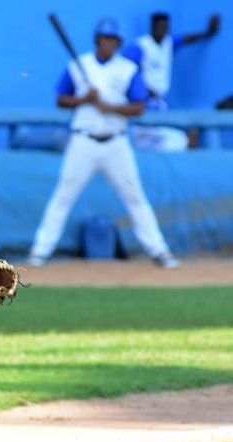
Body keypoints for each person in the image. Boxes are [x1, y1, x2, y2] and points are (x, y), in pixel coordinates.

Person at [27, 18, 180, 269]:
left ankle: (159, 251)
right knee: (62, 197)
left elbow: (138, 107)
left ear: (119, 43)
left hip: (116, 143)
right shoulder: (79, 65)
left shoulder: (128, 68)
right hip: (83, 140)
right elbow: (61, 100)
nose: (109, 43)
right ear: (98, 40)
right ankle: (40, 251)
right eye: (105, 39)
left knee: (135, 197)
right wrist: (84, 99)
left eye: (114, 40)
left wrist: (108, 106)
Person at [124, 13, 221, 151]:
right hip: (142, 101)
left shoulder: (168, 42)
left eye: (165, 27)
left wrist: (208, 32)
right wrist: (143, 89)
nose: (162, 30)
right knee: (145, 135)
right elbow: (125, 68)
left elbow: (187, 39)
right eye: (159, 26)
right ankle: (185, 140)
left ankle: (186, 140)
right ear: (152, 27)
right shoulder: (141, 45)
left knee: (157, 134)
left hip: (159, 102)